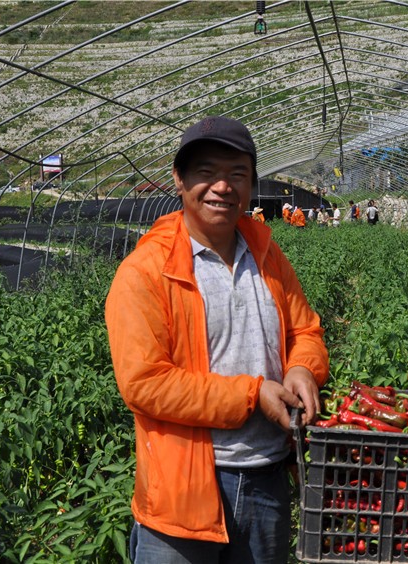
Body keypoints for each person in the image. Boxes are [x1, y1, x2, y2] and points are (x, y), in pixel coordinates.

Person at [105, 115, 329, 564]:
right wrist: (252, 395)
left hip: (266, 478)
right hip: (183, 492)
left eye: (237, 174)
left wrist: (303, 367)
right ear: (179, 179)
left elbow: (304, 330)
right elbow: (144, 382)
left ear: (251, 185)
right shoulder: (145, 271)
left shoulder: (267, 254)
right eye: (206, 172)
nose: (222, 187)